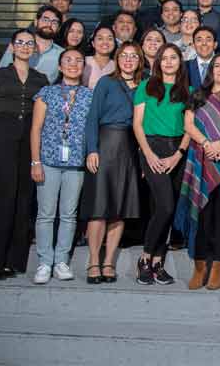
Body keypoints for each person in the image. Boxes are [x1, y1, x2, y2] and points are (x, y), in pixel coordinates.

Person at [175, 53, 220, 291]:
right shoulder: (198, 95)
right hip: (202, 161)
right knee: (203, 216)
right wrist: (207, 144)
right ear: (211, 70)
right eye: (218, 66)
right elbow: (188, 125)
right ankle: (199, 267)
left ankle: (218, 267)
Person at [0, 30, 49, 279]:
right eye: (19, 42)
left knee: (23, 197)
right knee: (0, 197)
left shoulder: (40, 79)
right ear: (12, 47)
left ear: (34, 49)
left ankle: (15, 259)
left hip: (28, 140)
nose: (24, 46)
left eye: (29, 43)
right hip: (2, 137)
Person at [81, 42, 144, 285]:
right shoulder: (106, 83)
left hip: (130, 149)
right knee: (99, 209)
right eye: (124, 56)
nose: (128, 60)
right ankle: (93, 261)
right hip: (105, 146)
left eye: (133, 56)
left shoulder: (145, 85)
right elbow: (92, 118)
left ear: (140, 60)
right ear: (117, 59)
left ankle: (109, 261)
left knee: (119, 210)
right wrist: (92, 149)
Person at [30, 48, 94, 284]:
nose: (73, 64)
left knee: (68, 215)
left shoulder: (89, 95)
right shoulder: (47, 93)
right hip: (48, 161)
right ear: (60, 66)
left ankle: (61, 261)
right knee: (46, 214)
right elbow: (36, 129)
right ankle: (44, 262)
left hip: (76, 163)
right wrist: (35, 161)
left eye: (78, 61)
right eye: (68, 60)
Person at [132, 43, 191, 285]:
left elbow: (189, 128)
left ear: (180, 62)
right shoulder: (146, 86)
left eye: (173, 58)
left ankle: (158, 262)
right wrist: (148, 154)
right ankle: (145, 258)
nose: (168, 62)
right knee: (164, 206)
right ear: (158, 62)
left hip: (176, 150)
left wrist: (178, 154)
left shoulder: (188, 90)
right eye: (164, 58)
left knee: (167, 207)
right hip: (152, 148)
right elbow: (137, 124)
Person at [0, 5, 63, 83]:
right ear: (36, 22)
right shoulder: (18, 45)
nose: (49, 25)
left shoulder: (62, 54)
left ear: (59, 28)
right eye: (45, 20)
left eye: (54, 22)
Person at [82, 26, 116, 90]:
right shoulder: (83, 61)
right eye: (100, 38)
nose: (105, 42)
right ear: (93, 43)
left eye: (110, 39)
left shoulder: (118, 66)